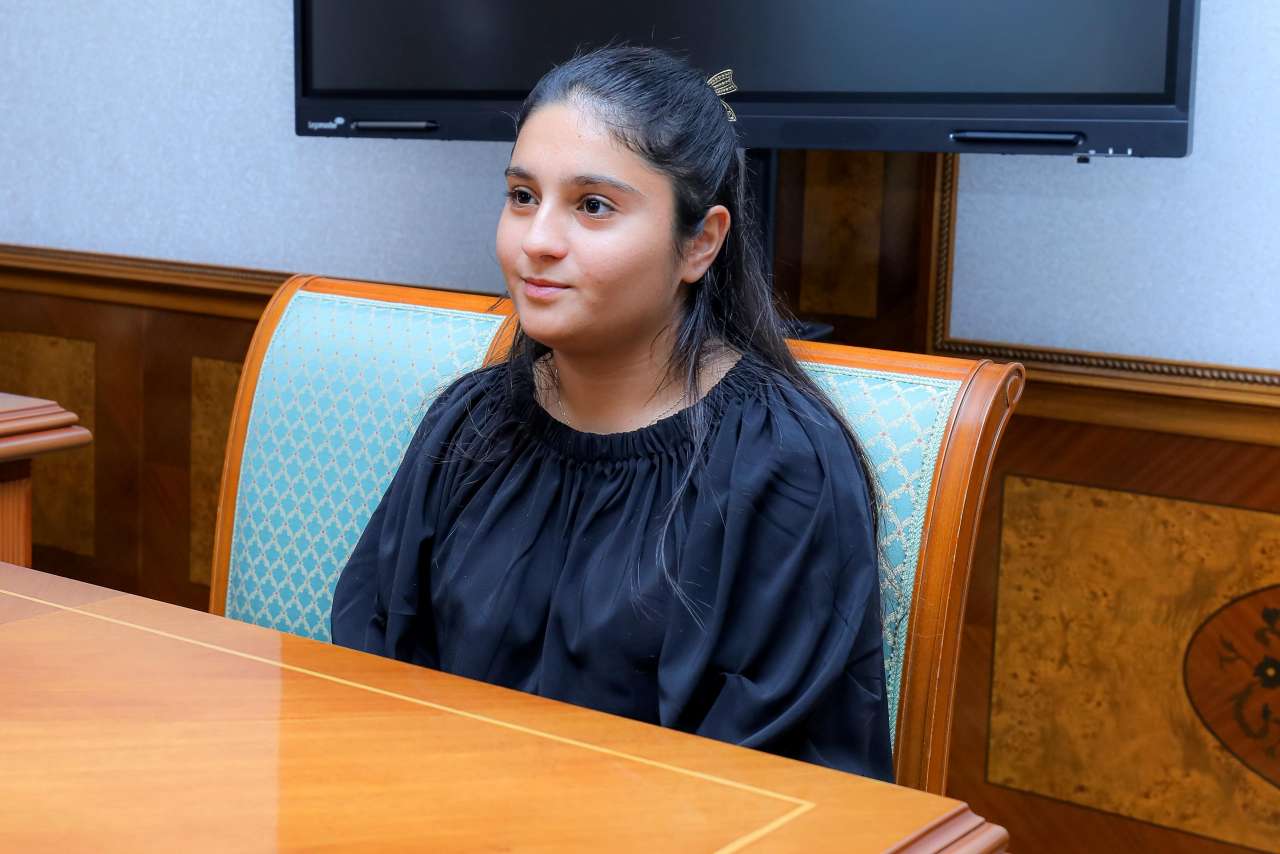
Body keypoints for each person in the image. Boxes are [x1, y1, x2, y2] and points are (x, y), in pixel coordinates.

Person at [330, 45, 893, 781]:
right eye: (522, 196)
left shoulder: (781, 461)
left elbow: (772, 778)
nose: (536, 241)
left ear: (700, 243)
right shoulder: (469, 424)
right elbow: (375, 667)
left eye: (593, 206)